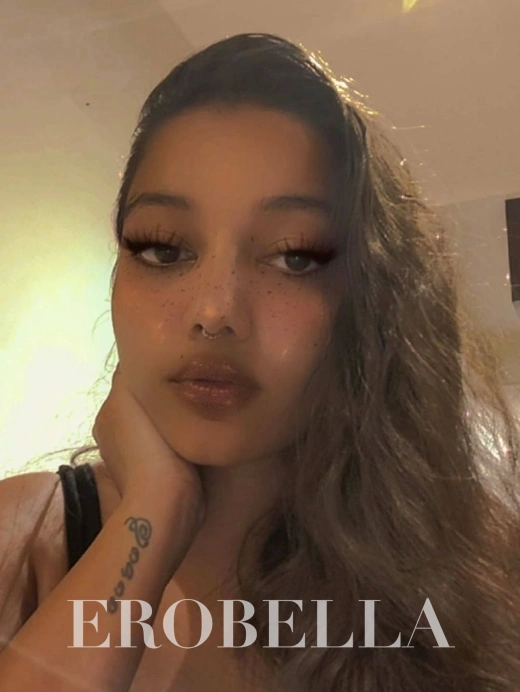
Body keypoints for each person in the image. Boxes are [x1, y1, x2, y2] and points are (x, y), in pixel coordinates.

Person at [0, 32, 518, 692]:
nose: (214, 311)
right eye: (163, 249)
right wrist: (153, 511)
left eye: (294, 256)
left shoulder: (483, 569)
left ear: (363, 301)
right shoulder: (22, 537)